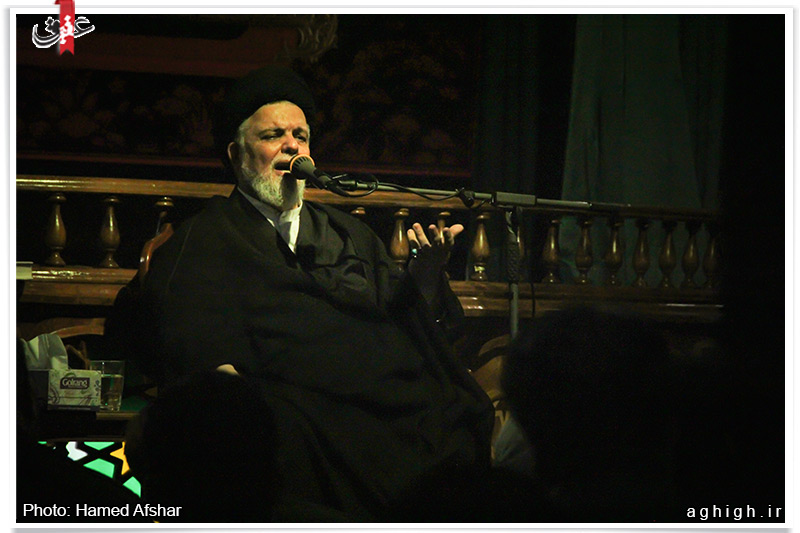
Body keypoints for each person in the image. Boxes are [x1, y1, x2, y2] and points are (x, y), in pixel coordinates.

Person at [107, 64, 494, 521]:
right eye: (273, 135)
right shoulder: (202, 243)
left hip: (381, 403)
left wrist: (424, 277)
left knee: (460, 409)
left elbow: (403, 334)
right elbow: (199, 357)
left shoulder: (349, 234)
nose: (292, 145)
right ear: (235, 154)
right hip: (291, 419)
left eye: (301, 136)